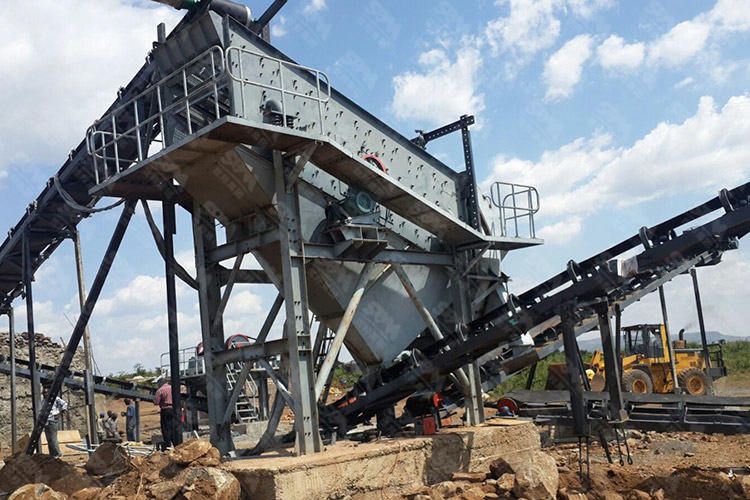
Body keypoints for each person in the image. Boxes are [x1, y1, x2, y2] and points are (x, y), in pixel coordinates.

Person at [41, 386, 68, 457]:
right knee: (49, 439)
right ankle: (52, 454)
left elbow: (64, 404)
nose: (44, 394)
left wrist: (61, 413)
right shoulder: (43, 401)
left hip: (53, 419)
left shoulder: (54, 398)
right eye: (43, 393)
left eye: (46, 393)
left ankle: (57, 454)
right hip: (46, 421)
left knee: (53, 438)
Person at [154, 376, 176, 450]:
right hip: (174, 409)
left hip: (165, 410)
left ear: (160, 383)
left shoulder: (160, 390)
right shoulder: (173, 388)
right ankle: (176, 444)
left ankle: (168, 445)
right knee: (174, 427)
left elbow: (156, 402)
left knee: (166, 428)